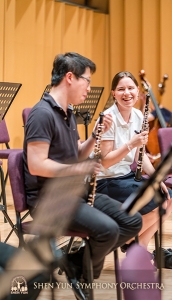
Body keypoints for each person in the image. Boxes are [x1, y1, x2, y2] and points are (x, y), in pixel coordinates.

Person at [23, 53, 142, 299]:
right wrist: (78, 169)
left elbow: (75, 154)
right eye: (86, 81)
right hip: (50, 199)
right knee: (108, 230)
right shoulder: (42, 114)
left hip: (73, 192)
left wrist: (93, 138)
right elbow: (36, 165)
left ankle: (75, 261)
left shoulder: (68, 113)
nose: (89, 87)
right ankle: (84, 275)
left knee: (132, 221)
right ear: (70, 78)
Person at [96, 71, 172, 252]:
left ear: (137, 90)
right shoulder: (108, 119)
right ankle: (125, 239)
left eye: (131, 88)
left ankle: (138, 246)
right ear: (113, 94)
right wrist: (130, 144)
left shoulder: (139, 116)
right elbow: (105, 163)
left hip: (126, 177)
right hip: (105, 182)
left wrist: (156, 177)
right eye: (121, 89)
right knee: (160, 202)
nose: (127, 93)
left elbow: (140, 153)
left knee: (171, 198)